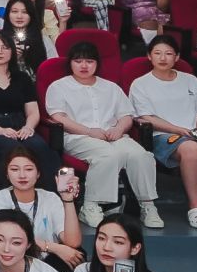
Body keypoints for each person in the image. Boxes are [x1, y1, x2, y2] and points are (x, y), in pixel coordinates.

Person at [46, 40, 164, 228]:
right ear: (70, 63)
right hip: (78, 137)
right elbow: (58, 117)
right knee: (107, 155)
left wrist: (119, 129)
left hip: (113, 135)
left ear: (97, 64)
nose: (84, 66)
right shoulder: (59, 87)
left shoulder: (111, 87)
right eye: (78, 61)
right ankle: (90, 205)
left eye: (89, 61)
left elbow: (126, 116)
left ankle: (147, 206)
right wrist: (89, 131)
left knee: (141, 155)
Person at [128, 34, 197, 228]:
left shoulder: (190, 80)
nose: (163, 58)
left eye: (169, 54)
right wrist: (178, 130)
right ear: (149, 56)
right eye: (157, 53)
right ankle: (195, 206)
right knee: (193, 150)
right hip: (165, 135)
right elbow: (146, 117)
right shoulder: (140, 84)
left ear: (176, 57)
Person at [0, 29, 61, 187]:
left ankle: (50, 194)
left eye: (5, 47)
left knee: (39, 146)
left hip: (20, 126)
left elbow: (33, 110)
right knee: (12, 148)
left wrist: (28, 127)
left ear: (13, 51)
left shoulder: (22, 78)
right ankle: (10, 196)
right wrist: (0, 130)